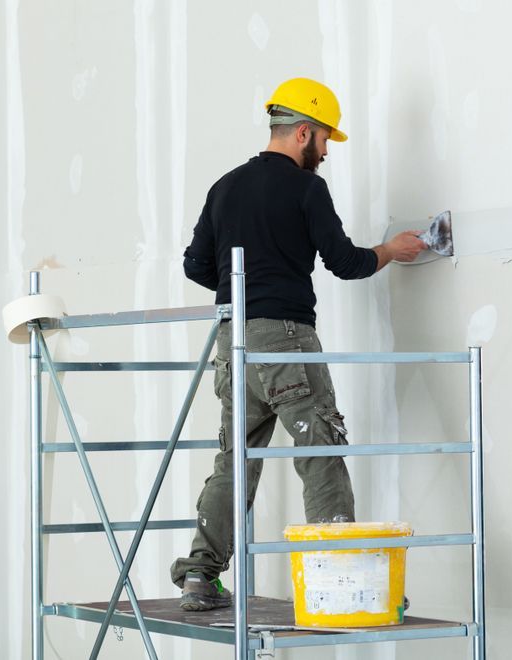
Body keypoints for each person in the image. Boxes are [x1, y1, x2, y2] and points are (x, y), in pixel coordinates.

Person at [170, 77, 427, 611]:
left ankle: (199, 574)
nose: (328, 152)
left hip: (232, 340)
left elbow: (198, 265)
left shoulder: (225, 186)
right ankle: (339, 582)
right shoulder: (306, 189)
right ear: (303, 132)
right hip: (285, 340)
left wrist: (245, 282)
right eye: (326, 139)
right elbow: (346, 263)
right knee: (319, 451)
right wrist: (390, 249)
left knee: (234, 459)